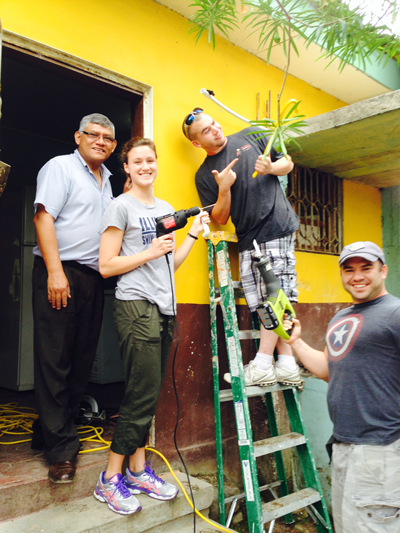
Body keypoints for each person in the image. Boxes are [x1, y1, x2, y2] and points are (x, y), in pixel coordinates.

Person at [93, 137, 210, 515]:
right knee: (141, 393)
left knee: (149, 392)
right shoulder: (120, 206)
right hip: (135, 306)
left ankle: (139, 469)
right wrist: (148, 251)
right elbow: (107, 265)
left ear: (156, 164)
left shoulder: (164, 209)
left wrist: (192, 235)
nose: (145, 166)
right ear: (126, 168)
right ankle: (110, 479)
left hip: (163, 308)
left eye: (150, 160)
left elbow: (168, 264)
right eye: (137, 161)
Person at [283, 241, 400, 533]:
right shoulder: (341, 317)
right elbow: (326, 369)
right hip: (344, 444)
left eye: (366, 268)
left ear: (383, 271)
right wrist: (295, 341)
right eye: (349, 270)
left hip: (381, 447)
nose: (357, 276)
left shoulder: (395, 313)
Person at [182, 108, 302, 387]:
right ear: (196, 143)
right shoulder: (204, 175)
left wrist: (271, 168)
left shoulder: (251, 134)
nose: (215, 129)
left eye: (213, 123)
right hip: (249, 236)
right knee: (266, 300)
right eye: (206, 130)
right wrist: (223, 188)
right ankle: (286, 364)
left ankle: (262, 363)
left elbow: (288, 163)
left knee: (274, 294)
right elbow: (221, 218)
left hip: (275, 225)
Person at [32, 113, 118, 483]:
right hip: (59, 272)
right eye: (93, 134)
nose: (100, 141)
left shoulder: (110, 182)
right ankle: (63, 450)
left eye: (107, 138)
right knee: (55, 360)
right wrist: (55, 272)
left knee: (81, 361)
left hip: (91, 279)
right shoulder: (60, 168)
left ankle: (48, 430)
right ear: (78, 137)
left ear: (114, 146)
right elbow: (43, 218)